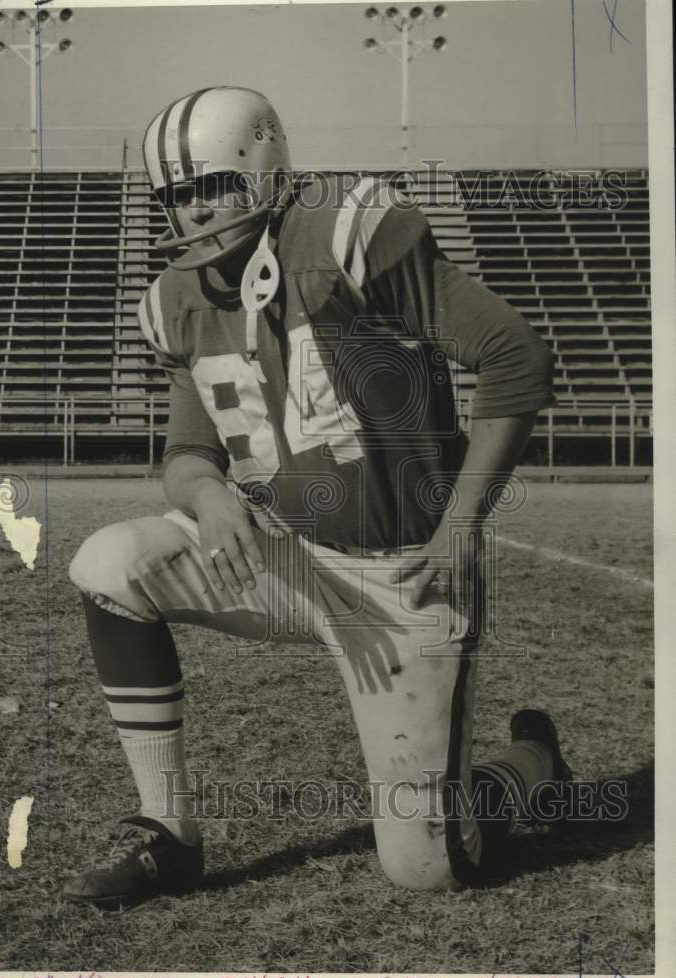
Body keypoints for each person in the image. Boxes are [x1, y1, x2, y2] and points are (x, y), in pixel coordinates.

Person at [64, 86, 571, 911]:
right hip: (284, 556)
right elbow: (188, 454)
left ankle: (532, 761)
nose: (191, 215)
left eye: (210, 187)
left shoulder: (344, 230)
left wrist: (461, 525)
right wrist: (209, 499)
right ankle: (168, 834)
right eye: (174, 197)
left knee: (431, 867)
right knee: (107, 564)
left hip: (404, 572)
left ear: (263, 173)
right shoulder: (176, 301)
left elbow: (515, 357)